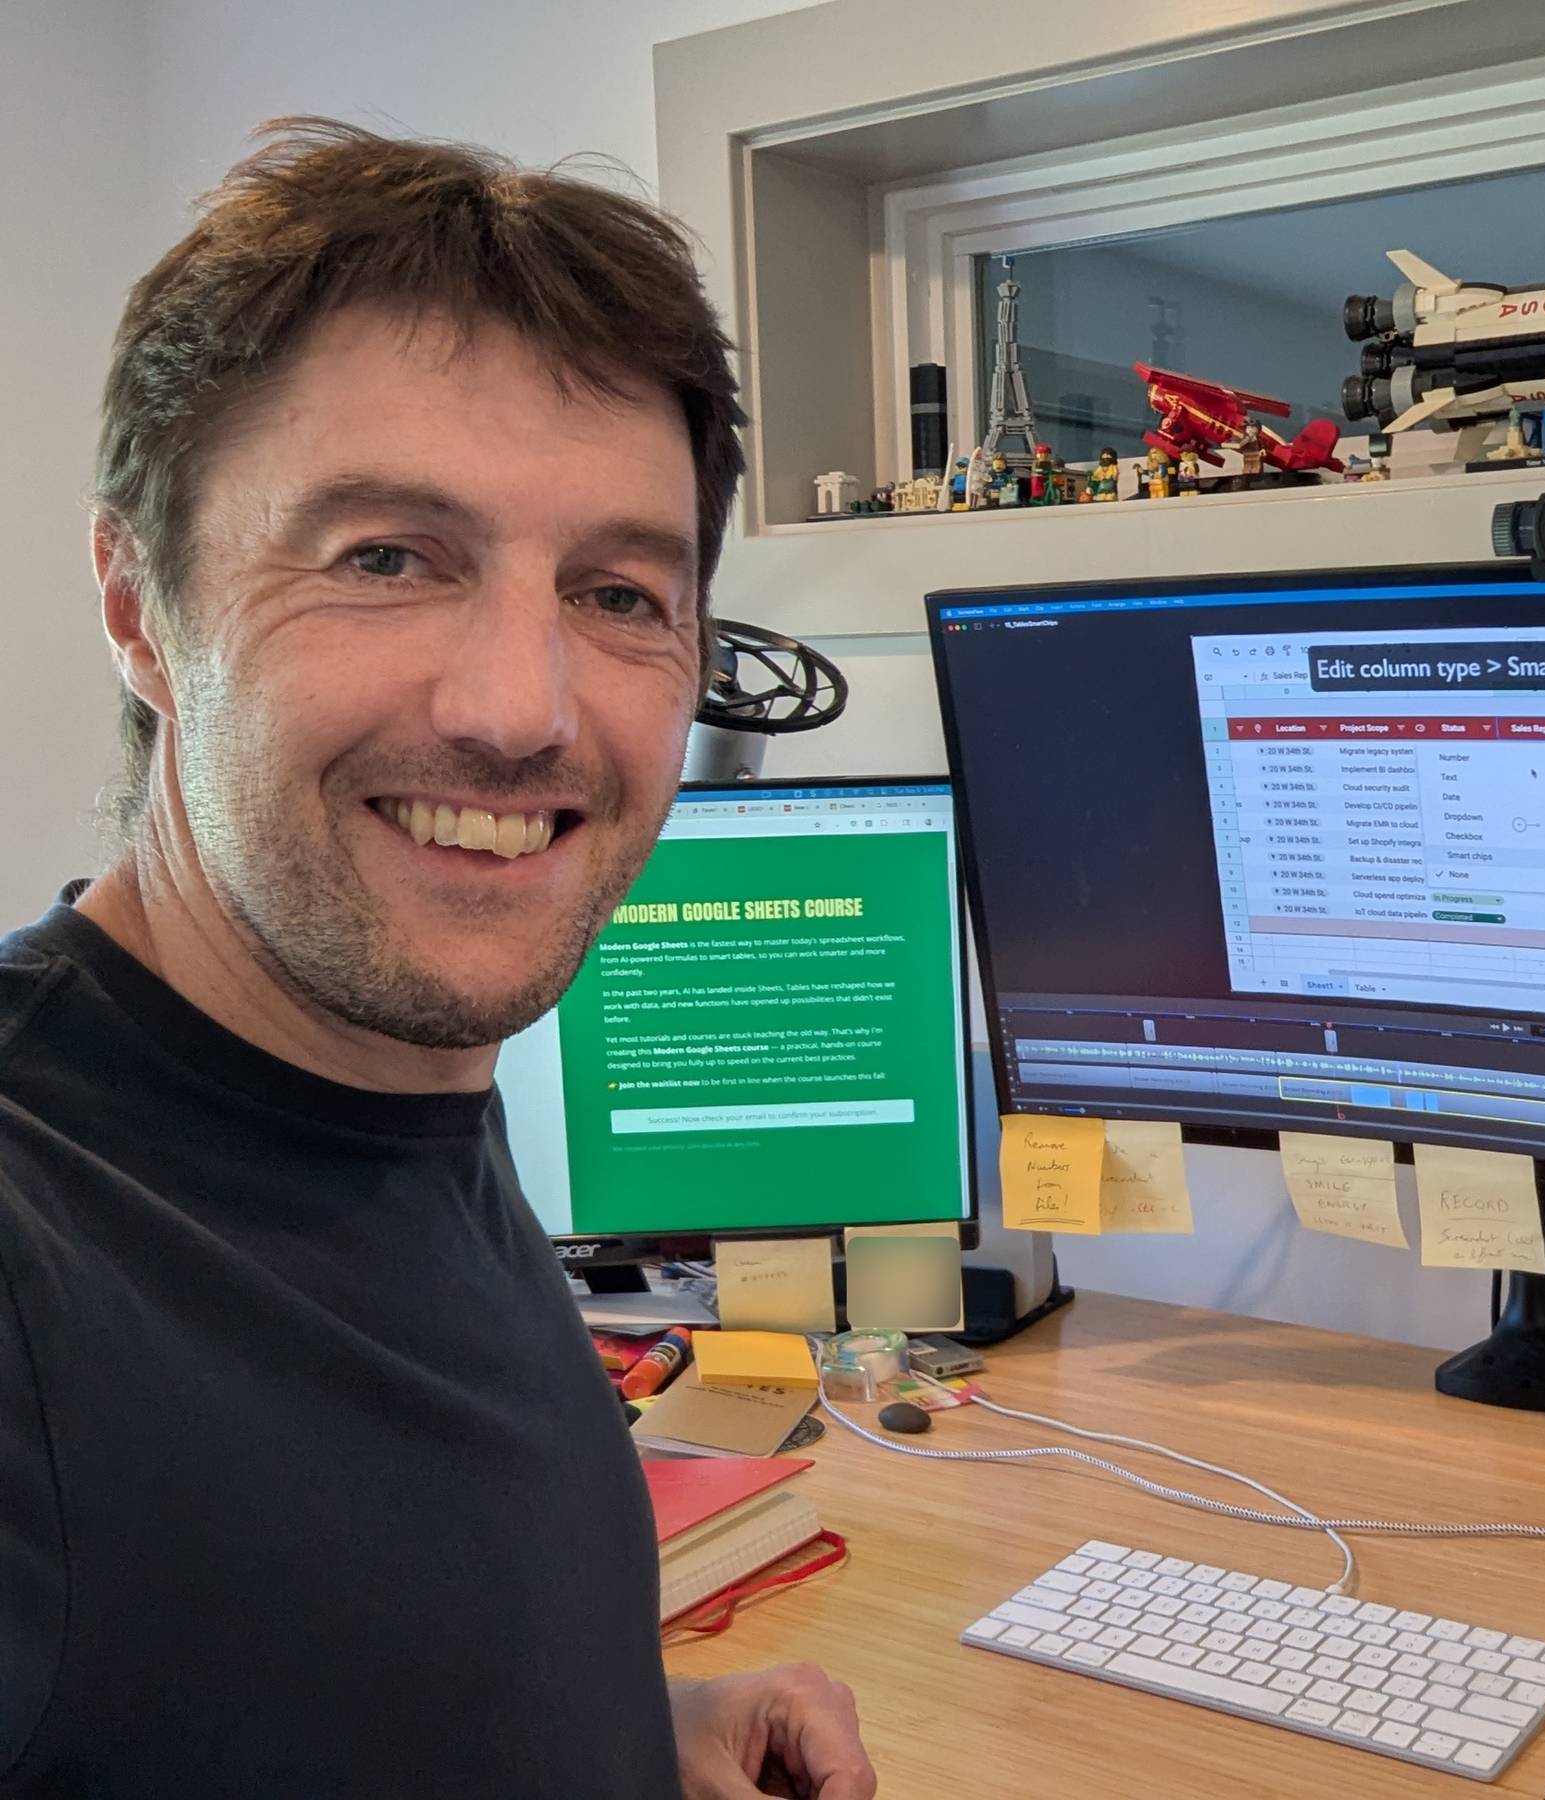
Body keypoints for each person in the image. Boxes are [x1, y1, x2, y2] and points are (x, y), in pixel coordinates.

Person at [0, 120, 875, 1798]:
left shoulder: (389, 1083)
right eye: (388, 560)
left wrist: (624, 1732)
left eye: (617, 594)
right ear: (138, 605)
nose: (520, 711)